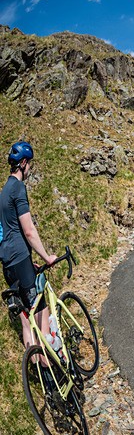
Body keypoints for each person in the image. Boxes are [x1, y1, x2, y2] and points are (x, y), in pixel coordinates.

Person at [1, 141, 58, 357]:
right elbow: (29, 231)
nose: (30, 168)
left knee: (26, 320)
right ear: (23, 163)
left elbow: (6, 232)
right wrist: (46, 257)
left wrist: (26, 262)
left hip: (8, 264)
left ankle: (37, 373)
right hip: (20, 258)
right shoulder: (18, 189)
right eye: (30, 164)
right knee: (41, 314)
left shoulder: (3, 192)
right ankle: (51, 378)